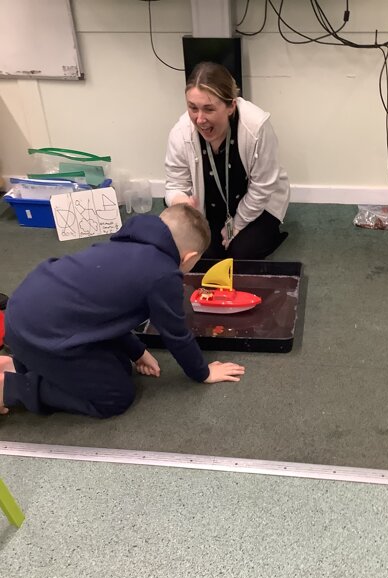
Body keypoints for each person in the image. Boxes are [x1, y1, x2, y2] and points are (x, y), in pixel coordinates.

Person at [0, 204, 244, 419]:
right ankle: (9, 388)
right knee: (116, 396)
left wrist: (137, 351)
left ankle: (20, 364)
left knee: (120, 366)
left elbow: (105, 311)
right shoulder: (164, 275)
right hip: (40, 333)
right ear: (188, 257)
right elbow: (177, 335)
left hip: (24, 310)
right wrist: (203, 372)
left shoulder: (127, 240)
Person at [165, 61, 290, 260]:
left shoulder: (257, 127)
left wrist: (237, 225)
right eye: (193, 108)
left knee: (240, 254)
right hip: (209, 209)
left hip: (256, 205)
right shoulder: (180, 133)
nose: (199, 119)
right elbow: (175, 185)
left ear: (231, 106)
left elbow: (263, 186)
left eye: (209, 109)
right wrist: (182, 203)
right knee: (203, 255)